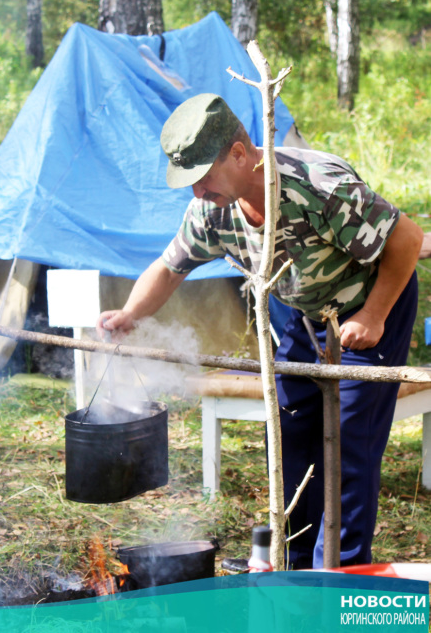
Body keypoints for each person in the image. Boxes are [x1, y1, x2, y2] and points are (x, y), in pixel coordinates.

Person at [97, 93, 424, 569]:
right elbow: (170, 268)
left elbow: (408, 241)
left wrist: (373, 316)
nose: (196, 193)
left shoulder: (317, 187)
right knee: (289, 427)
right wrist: (130, 314)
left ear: (238, 154)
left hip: (372, 306)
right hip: (308, 315)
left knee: (351, 442)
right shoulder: (213, 210)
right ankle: (297, 564)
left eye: (202, 178)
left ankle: (345, 568)